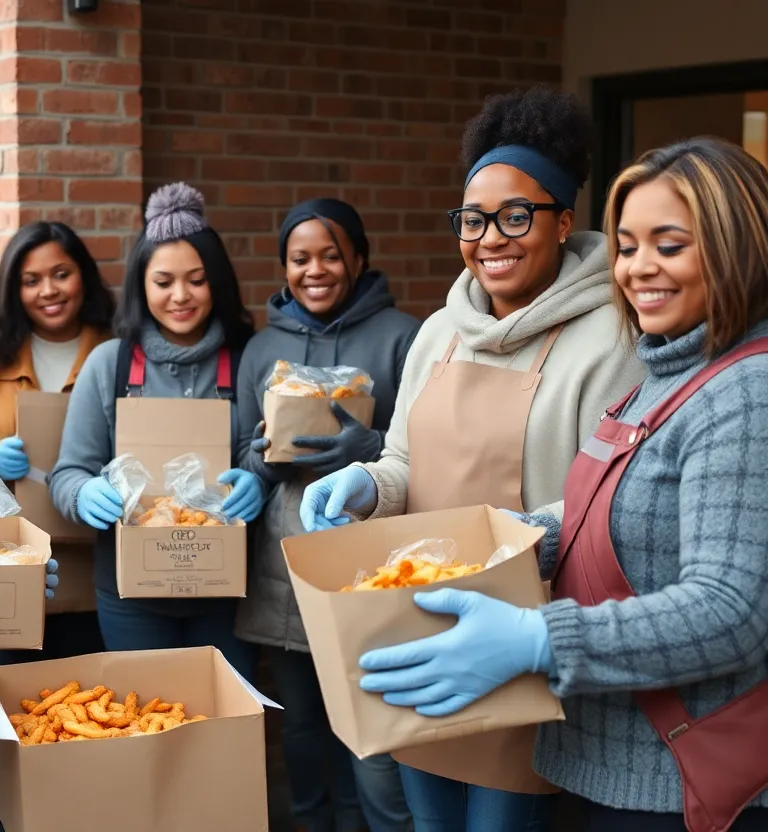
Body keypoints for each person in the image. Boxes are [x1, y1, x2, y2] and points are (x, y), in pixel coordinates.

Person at [341, 137, 768, 831]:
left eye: (670, 244)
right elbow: (598, 511)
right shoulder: (669, 375)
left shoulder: (745, 392)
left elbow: (728, 612)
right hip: (603, 758)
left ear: (735, 247)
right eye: (629, 246)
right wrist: (470, 555)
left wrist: (537, 639)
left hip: (676, 780)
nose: (638, 269)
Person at [300, 86, 645, 831]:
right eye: (473, 219)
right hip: (423, 635)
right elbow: (401, 462)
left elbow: (615, 500)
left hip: (529, 645)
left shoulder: (612, 342)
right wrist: (363, 485)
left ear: (562, 221)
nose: (492, 237)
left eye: (517, 216)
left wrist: (504, 542)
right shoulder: (439, 334)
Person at [233, 198, 419, 832]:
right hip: (284, 568)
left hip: (368, 562)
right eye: (299, 258)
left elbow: (425, 444)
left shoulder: (402, 336)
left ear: (359, 258)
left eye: (330, 255)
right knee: (304, 725)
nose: (315, 270)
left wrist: (372, 449)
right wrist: (264, 459)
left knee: (370, 726)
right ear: (283, 267)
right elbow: (238, 449)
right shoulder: (262, 347)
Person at [48, 182, 263, 679]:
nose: (180, 296)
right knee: (146, 723)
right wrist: (84, 493)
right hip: (130, 594)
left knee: (225, 725)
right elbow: (68, 472)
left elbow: (269, 453)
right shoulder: (110, 365)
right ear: (141, 286)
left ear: (219, 283)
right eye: (163, 281)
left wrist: (260, 481)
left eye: (197, 280)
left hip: (227, 589)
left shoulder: (250, 358)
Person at [0, 220, 115, 832]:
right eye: (30, 279)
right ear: (12, 288)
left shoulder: (115, 349)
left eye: (61, 273)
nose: (48, 289)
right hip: (16, 573)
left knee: (90, 712)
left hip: (96, 567)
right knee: (4, 715)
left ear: (83, 277)